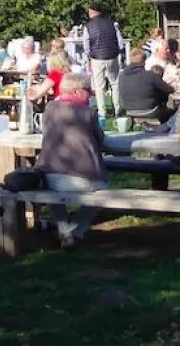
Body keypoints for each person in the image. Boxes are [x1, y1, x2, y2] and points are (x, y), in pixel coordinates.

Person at [35, 71, 107, 247]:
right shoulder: (88, 112)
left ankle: (63, 228)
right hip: (84, 176)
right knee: (102, 192)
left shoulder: (50, 108)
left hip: (50, 172)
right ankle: (75, 231)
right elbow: (100, 139)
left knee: (53, 192)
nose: (90, 93)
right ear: (76, 91)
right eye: (88, 90)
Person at [118, 45, 175, 123]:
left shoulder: (122, 76)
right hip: (150, 110)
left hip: (129, 110)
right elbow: (169, 89)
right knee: (171, 107)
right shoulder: (150, 75)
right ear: (144, 61)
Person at [86, 2, 122, 119]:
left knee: (99, 85)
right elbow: (120, 42)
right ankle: (117, 109)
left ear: (92, 11)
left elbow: (86, 43)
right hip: (112, 56)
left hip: (97, 57)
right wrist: (116, 52)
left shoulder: (88, 26)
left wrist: (89, 56)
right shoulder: (112, 23)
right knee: (115, 83)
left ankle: (102, 112)